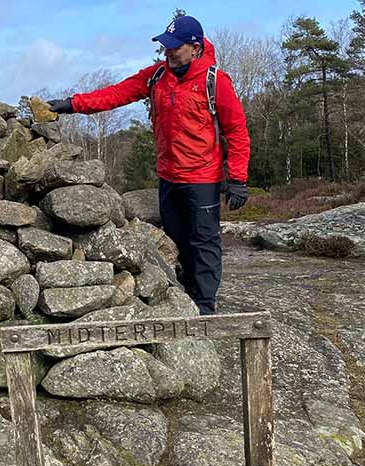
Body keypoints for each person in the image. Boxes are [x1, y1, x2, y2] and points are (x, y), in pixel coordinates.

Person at [47, 14, 251, 315]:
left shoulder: (214, 81)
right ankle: (187, 295)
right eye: (165, 46)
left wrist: (237, 179)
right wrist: (72, 104)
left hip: (202, 178)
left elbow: (236, 130)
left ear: (195, 48)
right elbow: (117, 93)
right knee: (177, 240)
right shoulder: (157, 75)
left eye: (175, 47)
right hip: (168, 177)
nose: (167, 52)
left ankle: (205, 308)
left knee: (204, 242)